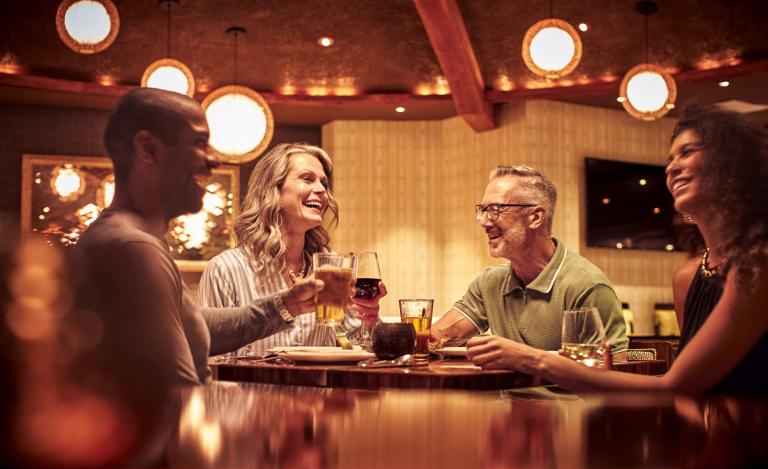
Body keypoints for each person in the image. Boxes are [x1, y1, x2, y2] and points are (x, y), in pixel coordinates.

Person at [468, 104, 768, 394]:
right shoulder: (689, 277)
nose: (672, 167)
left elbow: (673, 385)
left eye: (687, 152)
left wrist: (530, 359)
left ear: (732, 164)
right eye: (670, 158)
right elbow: (692, 388)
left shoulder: (759, 265)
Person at [72, 88, 322, 391]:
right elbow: (179, 392)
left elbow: (191, 327)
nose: (213, 160)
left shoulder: (132, 238)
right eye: (199, 143)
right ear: (148, 149)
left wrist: (285, 305)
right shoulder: (133, 248)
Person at [198, 143, 385, 357]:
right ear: (272, 191)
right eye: (307, 178)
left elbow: (352, 345)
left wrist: (369, 322)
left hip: (319, 381)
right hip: (251, 381)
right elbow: (210, 357)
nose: (322, 190)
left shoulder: (331, 268)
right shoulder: (225, 269)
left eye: (324, 183)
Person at [431, 165, 628, 354]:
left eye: (495, 209)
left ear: (535, 217)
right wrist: (417, 336)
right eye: (483, 210)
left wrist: (527, 359)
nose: (483, 222)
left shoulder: (587, 286)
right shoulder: (490, 283)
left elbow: (614, 371)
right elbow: (439, 336)